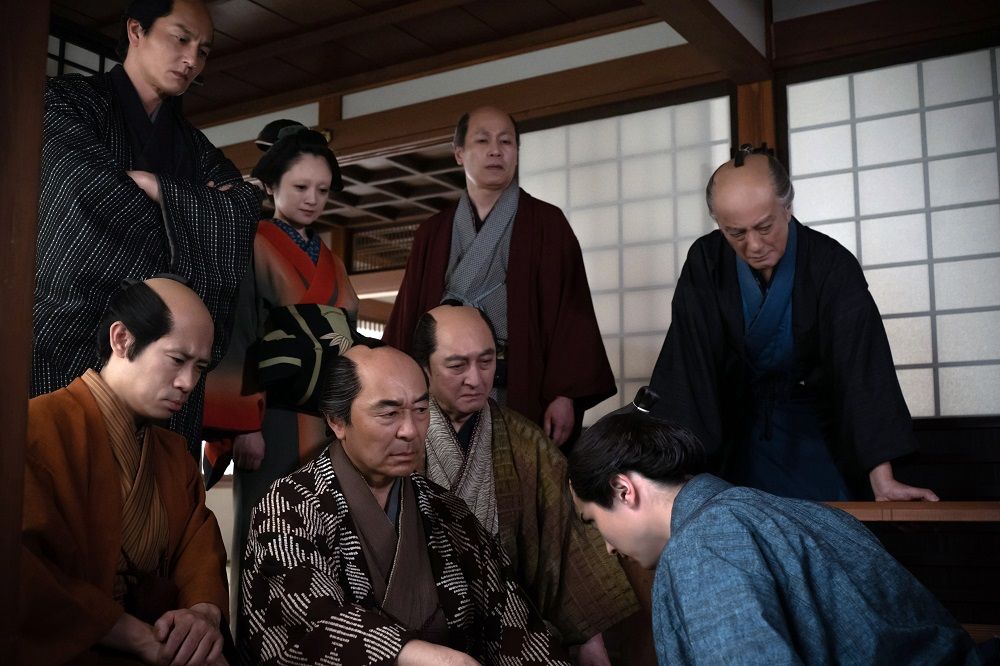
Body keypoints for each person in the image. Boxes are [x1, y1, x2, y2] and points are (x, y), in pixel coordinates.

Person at [240, 344, 570, 665]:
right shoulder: (287, 506)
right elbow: (309, 616)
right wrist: (422, 657)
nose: (411, 431)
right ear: (337, 421)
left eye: (421, 410)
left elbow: (513, 622)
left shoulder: (447, 510)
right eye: (389, 413)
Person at [567, 410, 979, 665]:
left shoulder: (699, 544)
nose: (608, 546)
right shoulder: (792, 510)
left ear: (623, 489)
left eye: (593, 521)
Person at [33, 0, 261, 456]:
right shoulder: (66, 103)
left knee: (162, 484)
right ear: (136, 31)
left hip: (170, 367)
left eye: (203, 50)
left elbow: (242, 211)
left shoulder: (195, 147)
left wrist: (157, 187)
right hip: (74, 341)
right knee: (60, 470)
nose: (192, 59)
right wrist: (193, 216)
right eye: (181, 39)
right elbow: (84, 198)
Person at [648, 148, 936, 501]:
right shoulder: (706, 261)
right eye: (735, 233)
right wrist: (676, 479)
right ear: (718, 223)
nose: (754, 245)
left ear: (787, 207)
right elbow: (688, 365)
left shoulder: (830, 264)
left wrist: (883, 480)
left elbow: (861, 369)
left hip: (814, 432)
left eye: (764, 227)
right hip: (729, 432)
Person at [201, 121, 359, 638]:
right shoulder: (253, 243)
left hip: (329, 420)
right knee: (265, 530)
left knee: (323, 533)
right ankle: (257, 641)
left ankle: (318, 639)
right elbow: (239, 334)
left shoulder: (332, 260)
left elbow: (348, 340)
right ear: (270, 185)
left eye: (322, 190)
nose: (313, 199)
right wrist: (243, 423)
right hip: (269, 417)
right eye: (301, 187)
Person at [19, 278, 230, 664]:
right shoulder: (33, 428)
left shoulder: (172, 453)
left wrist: (201, 615)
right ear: (122, 339)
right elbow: (21, 571)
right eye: (177, 360)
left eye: (199, 368)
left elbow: (198, 548)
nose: (188, 383)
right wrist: (135, 636)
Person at [413, 303, 638, 664]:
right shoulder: (401, 439)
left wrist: (591, 642)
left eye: (486, 361)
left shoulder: (525, 442)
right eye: (457, 366)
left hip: (509, 625)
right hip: (421, 627)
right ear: (423, 367)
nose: (476, 379)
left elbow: (564, 535)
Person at [383, 105, 614, 446]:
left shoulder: (547, 224)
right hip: (441, 391)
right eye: (483, 140)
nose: (496, 150)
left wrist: (565, 394)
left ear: (516, 152)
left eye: (506, 141)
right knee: (441, 472)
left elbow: (571, 315)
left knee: (516, 472)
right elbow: (407, 318)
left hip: (519, 384)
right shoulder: (432, 232)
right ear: (459, 153)